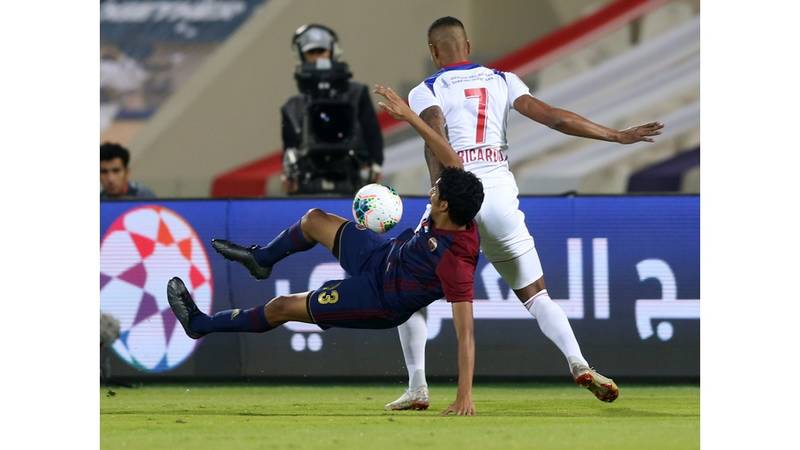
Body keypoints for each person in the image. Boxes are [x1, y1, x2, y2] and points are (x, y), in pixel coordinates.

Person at [378, 16, 664, 410]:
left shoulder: (427, 89)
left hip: (456, 198)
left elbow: (434, 135)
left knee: (406, 288)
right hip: (498, 195)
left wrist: (436, 188)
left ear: (433, 52)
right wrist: (614, 135)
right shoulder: (503, 80)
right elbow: (554, 117)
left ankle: (417, 387)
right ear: (468, 46)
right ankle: (578, 362)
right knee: (536, 294)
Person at [169, 104, 484, 415]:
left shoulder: (454, 263)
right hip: (382, 255)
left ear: (444, 206)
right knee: (314, 220)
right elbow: (449, 159)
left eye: (436, 190)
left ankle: (200, 324)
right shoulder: (457, 204)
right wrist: (412, 117)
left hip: (379, 298)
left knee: (281, 307)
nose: (432, 190)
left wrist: (464, 397)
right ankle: (261, 259)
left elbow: (466, 335)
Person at [281, 24, 384, 194]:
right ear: (302, 55)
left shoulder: (357, 94)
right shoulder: (292, 107)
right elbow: (289, 148)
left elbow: (372, 133)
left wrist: (375, 165)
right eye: (311, 53)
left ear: (332, 51)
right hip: (309, 181)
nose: (317, 57)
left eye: (321, 51)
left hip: (352, 177)